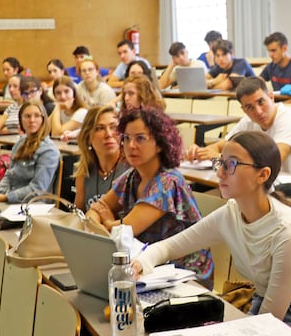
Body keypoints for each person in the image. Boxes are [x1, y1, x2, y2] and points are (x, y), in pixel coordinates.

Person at [135, 131, 291, 336]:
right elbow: (168, 248)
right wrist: (138, 265)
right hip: (263, 306)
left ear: (263, 175)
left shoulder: (288, 232)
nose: (220, 173)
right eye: (220, 162)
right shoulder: (231, 213)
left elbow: (269, 323)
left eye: (231, 165)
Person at [87, 107, 213, 283]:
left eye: (140, 138)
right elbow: (93, 213)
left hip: (183, 275)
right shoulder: (133, 175)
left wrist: (107, 221)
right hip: (146, 266)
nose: (131, 146)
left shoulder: (167, 182)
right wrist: (104, 220)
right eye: (126, 138)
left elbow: (122, 231)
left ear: (160, 143)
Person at [193, 76, 291, 176]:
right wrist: (198, 153)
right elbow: (219, 147)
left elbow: (272, 161)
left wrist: (221, 158)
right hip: (263, 185)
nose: (258, 111)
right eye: (249, 107)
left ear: (271, 97)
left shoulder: (289, 119)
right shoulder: (248, 122)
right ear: (244, 109)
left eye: (261, 102)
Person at [0, 101, 59, 203]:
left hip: (32, 205)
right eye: (27, 116)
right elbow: (9, 176)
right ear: (20, 120)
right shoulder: (20, 143)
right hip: (11, 201)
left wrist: (6, 197)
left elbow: (38, 189)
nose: (32, 120)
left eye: (37, 116)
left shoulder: (49, 150)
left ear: (43, 119)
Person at [73, 107, 127, 210]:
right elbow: (78, 215)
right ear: (88, 136)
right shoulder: (83, 170)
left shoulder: (131, 168)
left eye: (114, 127)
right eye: (99, 128)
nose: (108, 134)